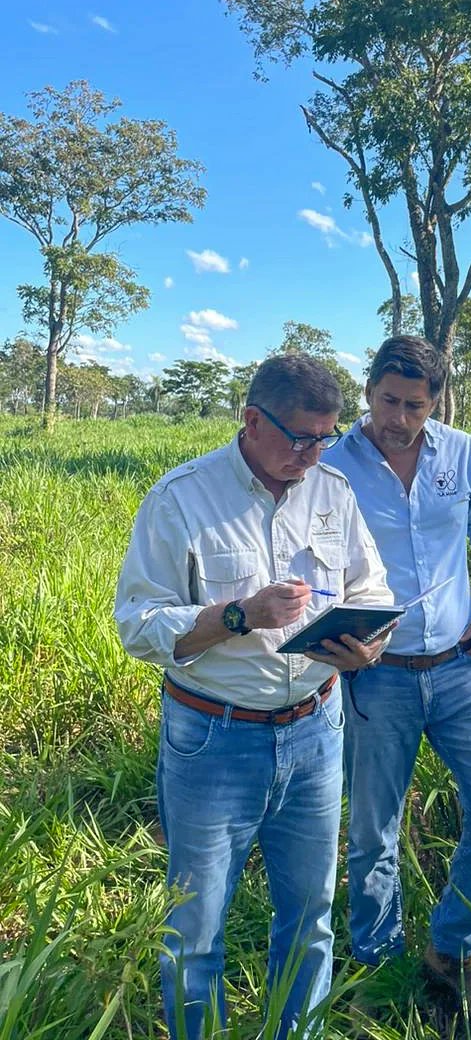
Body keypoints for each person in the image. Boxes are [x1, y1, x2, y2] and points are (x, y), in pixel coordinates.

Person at [115, 355, 393, 1040]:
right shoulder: (182, 498)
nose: (311, 453)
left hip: (316, 731)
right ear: (251, 420)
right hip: (215, 738)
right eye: (299, 436)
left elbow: (371, 591)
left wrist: (368, 646)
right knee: (196, 927)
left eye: (325, 437)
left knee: (309, 917)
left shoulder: (332, 491)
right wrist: (236, 615)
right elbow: (138, 625)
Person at [323, 335, 471, 1019]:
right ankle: (377, 964)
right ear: (368, 389)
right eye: (387, 400)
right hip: (377, 674)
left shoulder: (465, 453)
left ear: (436, 402)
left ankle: (452, 948)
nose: (398, 418)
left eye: (414, 405)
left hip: (462, 667)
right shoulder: (332, 464)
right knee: (374, 829)